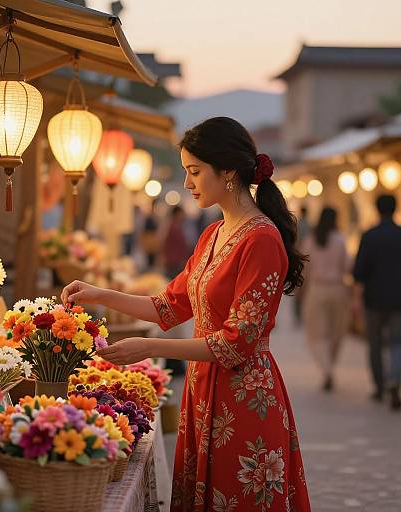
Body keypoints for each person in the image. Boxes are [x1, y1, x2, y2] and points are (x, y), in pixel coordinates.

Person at [62, 117, 311, 511]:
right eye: (186, 172)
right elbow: (168, 306)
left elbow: (237, 342)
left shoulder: (261, 240)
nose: (188, 183)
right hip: (202, 386)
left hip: (243, 395)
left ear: (227, 172)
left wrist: (146, 346)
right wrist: (101, 294)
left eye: (195, 172)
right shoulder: (214, 235)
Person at [353, 194, 401, 411]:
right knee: (398, 343)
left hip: (374, 300)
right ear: (395, 208)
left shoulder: (369, 236)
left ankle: (380, 386)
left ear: (377, 209)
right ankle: (395, 382)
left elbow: (358, 272)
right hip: (399, 298)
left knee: (376, 343)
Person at [302, 207, 349, 392]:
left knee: (316, 334)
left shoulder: (311, 240)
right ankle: (329, 367)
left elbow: (304, 269)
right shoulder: (340, 239)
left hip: (317, 289)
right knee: (336, 333)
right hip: (338, 289)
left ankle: (326, 369)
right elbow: (347, 266)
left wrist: (302, 289)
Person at [163, 205, 191, 280]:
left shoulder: (175, 226)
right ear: (177, 214)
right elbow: (168, 244)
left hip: (175, 260)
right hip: (174, 261)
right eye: (181, 214)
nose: (183, 216)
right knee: (173, 280)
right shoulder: (173, 227)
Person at [294, 206, 311, 325]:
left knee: (299, 287)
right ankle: (302, 314)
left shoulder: (298, 225)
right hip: (306, 256)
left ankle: (298, 315)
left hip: (298, 255)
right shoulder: (309, 226)